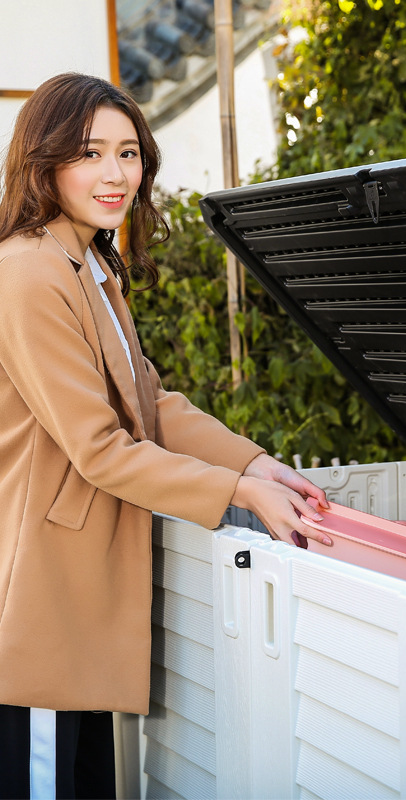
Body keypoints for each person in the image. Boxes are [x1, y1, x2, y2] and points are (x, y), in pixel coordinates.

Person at [0, 72, 332, 799]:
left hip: (80, 582)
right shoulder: (27, 272)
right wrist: (239, 491)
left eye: (129, 153)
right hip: (45, 595)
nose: (116, 174)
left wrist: (261, 466)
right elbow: (101, 448)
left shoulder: (89, 263)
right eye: (90, 153)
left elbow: (151, 402)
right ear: (44, 161)